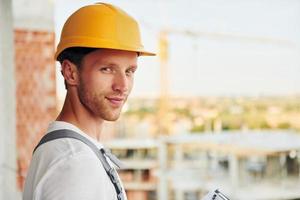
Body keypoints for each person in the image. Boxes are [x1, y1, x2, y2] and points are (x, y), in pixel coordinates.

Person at [22, 2, 155, 200]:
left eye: (129, 71)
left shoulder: (74, 151)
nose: (122, 85)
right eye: (107, 69)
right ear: (71, 72)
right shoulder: (76, 162)